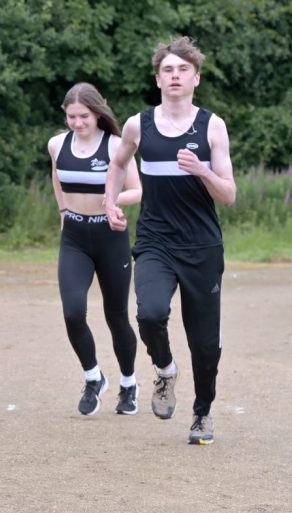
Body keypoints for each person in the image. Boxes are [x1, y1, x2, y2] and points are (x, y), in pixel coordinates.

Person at [105, 37, 236, 445]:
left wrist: (202, 170)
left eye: (183, 70)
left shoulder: (211, 126)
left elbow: (228, 195)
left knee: (205, 343)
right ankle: (164, 369)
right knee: (149, 314)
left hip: (201, 247)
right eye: (168, 70)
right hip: (156, 242)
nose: (175, 76)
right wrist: (110, 201)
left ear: (195, 78)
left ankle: (202, 413)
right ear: (158, 78)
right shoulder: (137, 125)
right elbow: (117, 162)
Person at [47, 83, 142, 416]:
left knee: (116, 316)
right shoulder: (57, 144)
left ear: (97, 113)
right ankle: (93, 377)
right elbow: (57, 178)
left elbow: (137, 190)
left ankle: (129, 384)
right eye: (71, 116)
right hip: (74, 237)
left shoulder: (117, 146)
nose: (77, 123)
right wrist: (62, 211)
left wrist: (112, 201)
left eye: (83, 116)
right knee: (73, 311)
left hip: (110, 237)